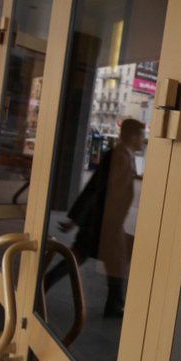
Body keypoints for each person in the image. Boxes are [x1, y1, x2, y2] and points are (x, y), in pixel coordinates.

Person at [48, 118, 143, 317]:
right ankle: (114, 304)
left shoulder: (124, 156)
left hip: (107, 223)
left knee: (102, 259)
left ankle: (114, 304)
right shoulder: (118, 157)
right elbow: (95, 189)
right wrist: (76, 219)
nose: (142, 140)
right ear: (133, 136)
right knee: (109, 259)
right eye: (141, 136)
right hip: (102, 223)